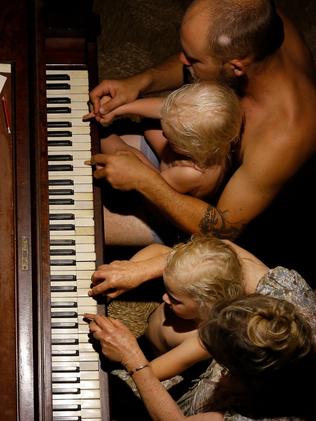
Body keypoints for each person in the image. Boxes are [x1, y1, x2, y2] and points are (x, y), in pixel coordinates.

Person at [86, 0, 316, 275]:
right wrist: (141, 82)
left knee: (70, 219)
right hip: (201, 159)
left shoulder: (283, 136)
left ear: (236, 67)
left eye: (192, 59)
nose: (182, 60)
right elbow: (202, 61)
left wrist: (144, 180)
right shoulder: (254, 19)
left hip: (221, 216)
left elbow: (221, 228)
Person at [86, 293, 316, 420]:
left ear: (230, 368)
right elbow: (227, 246)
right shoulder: (291, 293)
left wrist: (132, 358)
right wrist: (141, 268)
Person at [88, 81, 242, 199]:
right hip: (168, 163)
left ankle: (102, 135)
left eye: (171, 137)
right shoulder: (195, 126)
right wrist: (114, 109)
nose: (164, 134)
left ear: (191, 149)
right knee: (151, 126)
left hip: (161, 188)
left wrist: (106, 134)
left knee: (122, 152)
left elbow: (151, 183)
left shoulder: (190, 173)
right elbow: (162, 108)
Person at [135, 236, 244, 381]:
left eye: (175, 299)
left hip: (149, 357)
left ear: (207, 305)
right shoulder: (188, 273)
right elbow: (156, 249)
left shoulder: (200, 342)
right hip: (143, 326)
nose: (164, 298)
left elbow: (151, 374)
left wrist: (128, 355)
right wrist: (130, 269)